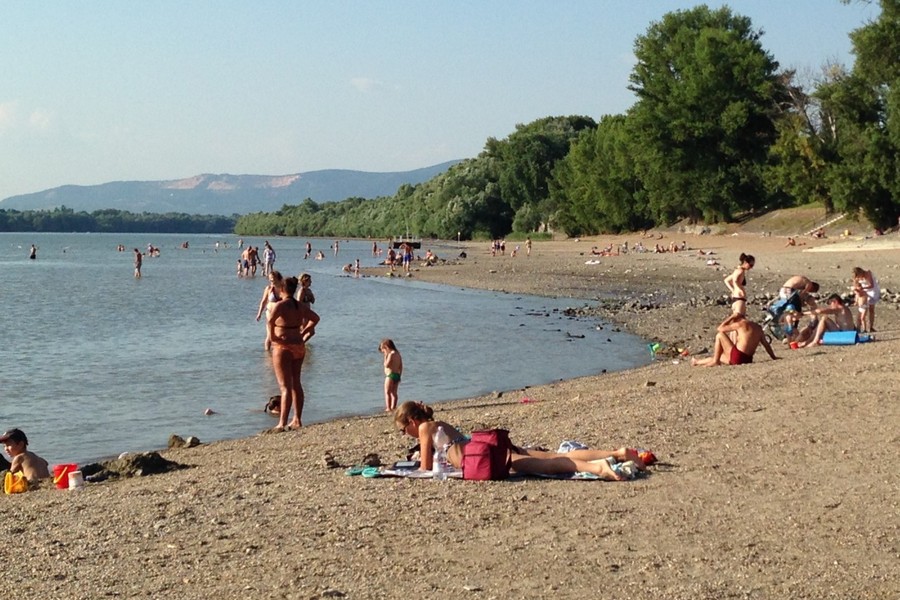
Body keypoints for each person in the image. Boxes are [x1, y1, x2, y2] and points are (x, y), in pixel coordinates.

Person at [393, 402, 646, 480]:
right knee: (553, 456)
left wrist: (411, 463)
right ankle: (617, 453)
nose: (407, 435)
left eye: (404, 430)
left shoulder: (424, 428)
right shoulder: (439, 423)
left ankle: (599, 469)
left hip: (485, 457)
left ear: (412, 421)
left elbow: (426, 468)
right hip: (488, 449)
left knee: (547, 465)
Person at [267, 277, 320, 431]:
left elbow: (270, 321)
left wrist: (273, 337)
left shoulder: (280, 305)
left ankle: (282, 422)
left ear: (282, 289)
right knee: (296, 383)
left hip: (283, 346)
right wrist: (303, 332)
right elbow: (315, 318)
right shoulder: (299, 305)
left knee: (285, 387)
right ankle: (297, 419)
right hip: (298, 345)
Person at [691, 313, 778, 367]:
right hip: (747, 359)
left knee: (720, 335)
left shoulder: (740, 324)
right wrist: (773, 357)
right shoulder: (758, 327)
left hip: (738, 356)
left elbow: (720, 328)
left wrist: (731, 317)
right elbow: (766, 345)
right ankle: (697, 362)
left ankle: (715, 361)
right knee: (719, 356)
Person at [255, 271, 284, 351]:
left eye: (272, 278)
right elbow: (263, 302)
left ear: (278, 278)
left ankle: (278, 350)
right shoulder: (269, 289)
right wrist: (259, 314)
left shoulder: (283, 288)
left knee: (280, 333)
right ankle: (267, 353)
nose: (271, 280)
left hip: (281, 315)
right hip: (270, 313)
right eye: (270, 278)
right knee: (269, 335)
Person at [851, 267, 880, 333]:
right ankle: (860, 327)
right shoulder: (856, 278)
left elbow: (871, 285)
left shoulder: (868, 273)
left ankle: (871, 326)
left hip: (872, 291)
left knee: (871, 309)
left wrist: (863, 288)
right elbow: (855, 285)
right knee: (861, 312)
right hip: (863, 293)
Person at [380, 339, 403, 412]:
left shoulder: (391, 354)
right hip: (397, 375)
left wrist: (385, 356)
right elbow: (401, 366)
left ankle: (388, 407)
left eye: (383, 350)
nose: (383, 352)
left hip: (390, 375)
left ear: (386, 347)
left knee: (387, 392)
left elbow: (386, 365)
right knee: (394, 393)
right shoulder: (398, 354)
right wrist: (400, 375)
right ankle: (393, 407)